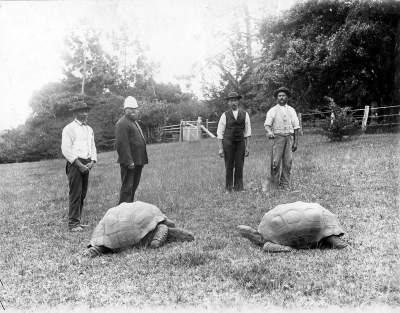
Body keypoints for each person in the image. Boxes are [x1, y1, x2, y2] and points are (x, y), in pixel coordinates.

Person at [61, 101, 97, 232]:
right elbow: (66, 150)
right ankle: (73, 224)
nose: (85, 113)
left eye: (86, 110)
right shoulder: (69, 128)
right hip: (75, 164)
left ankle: (78, 221)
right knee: (75, 194)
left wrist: (92, 161)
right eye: (82, 111)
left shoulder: (89, 129)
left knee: (82, 194)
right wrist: (79, 164)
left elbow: (92, 146)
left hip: (86, 164)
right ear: (75, 113)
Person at [264, 87, 300, 189]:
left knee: (288, 162)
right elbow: (267, 125)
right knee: (275, 163)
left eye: (283, 95)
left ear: (287, 97)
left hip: (289, 138)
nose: (281, 97)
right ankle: (274, 186)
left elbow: (296, 127)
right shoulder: (273, 110)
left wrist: (296, 142)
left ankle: (285, 185)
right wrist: (270, 132)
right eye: (279, 96)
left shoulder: (292, 110)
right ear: (276, 98)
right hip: (278, 138)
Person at [115, 96, 148, 204]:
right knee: (127, 189)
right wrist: (129, 161)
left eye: (135, 108)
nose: (134, 111)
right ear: (125, 110)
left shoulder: (133, 122)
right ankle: (121, 212)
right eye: (130, 109)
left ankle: (129, 210)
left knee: (133, 187)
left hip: (138, 160)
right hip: (130, 162)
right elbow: (121, 144)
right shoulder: (122, 123)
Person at [217, 92, 251, 192]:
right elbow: (220, 132)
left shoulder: (245, 114)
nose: (233, 102)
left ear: (238, 101)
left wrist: (247, 147)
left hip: (240, 143)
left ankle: (239, 188)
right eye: (231, 100)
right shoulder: (225, 115)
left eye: (235, 100)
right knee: (229, 165)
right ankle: (228, 188)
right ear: (228, 102)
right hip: (228, 143)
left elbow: (247, 132)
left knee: (239, 165)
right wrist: (220, 148)